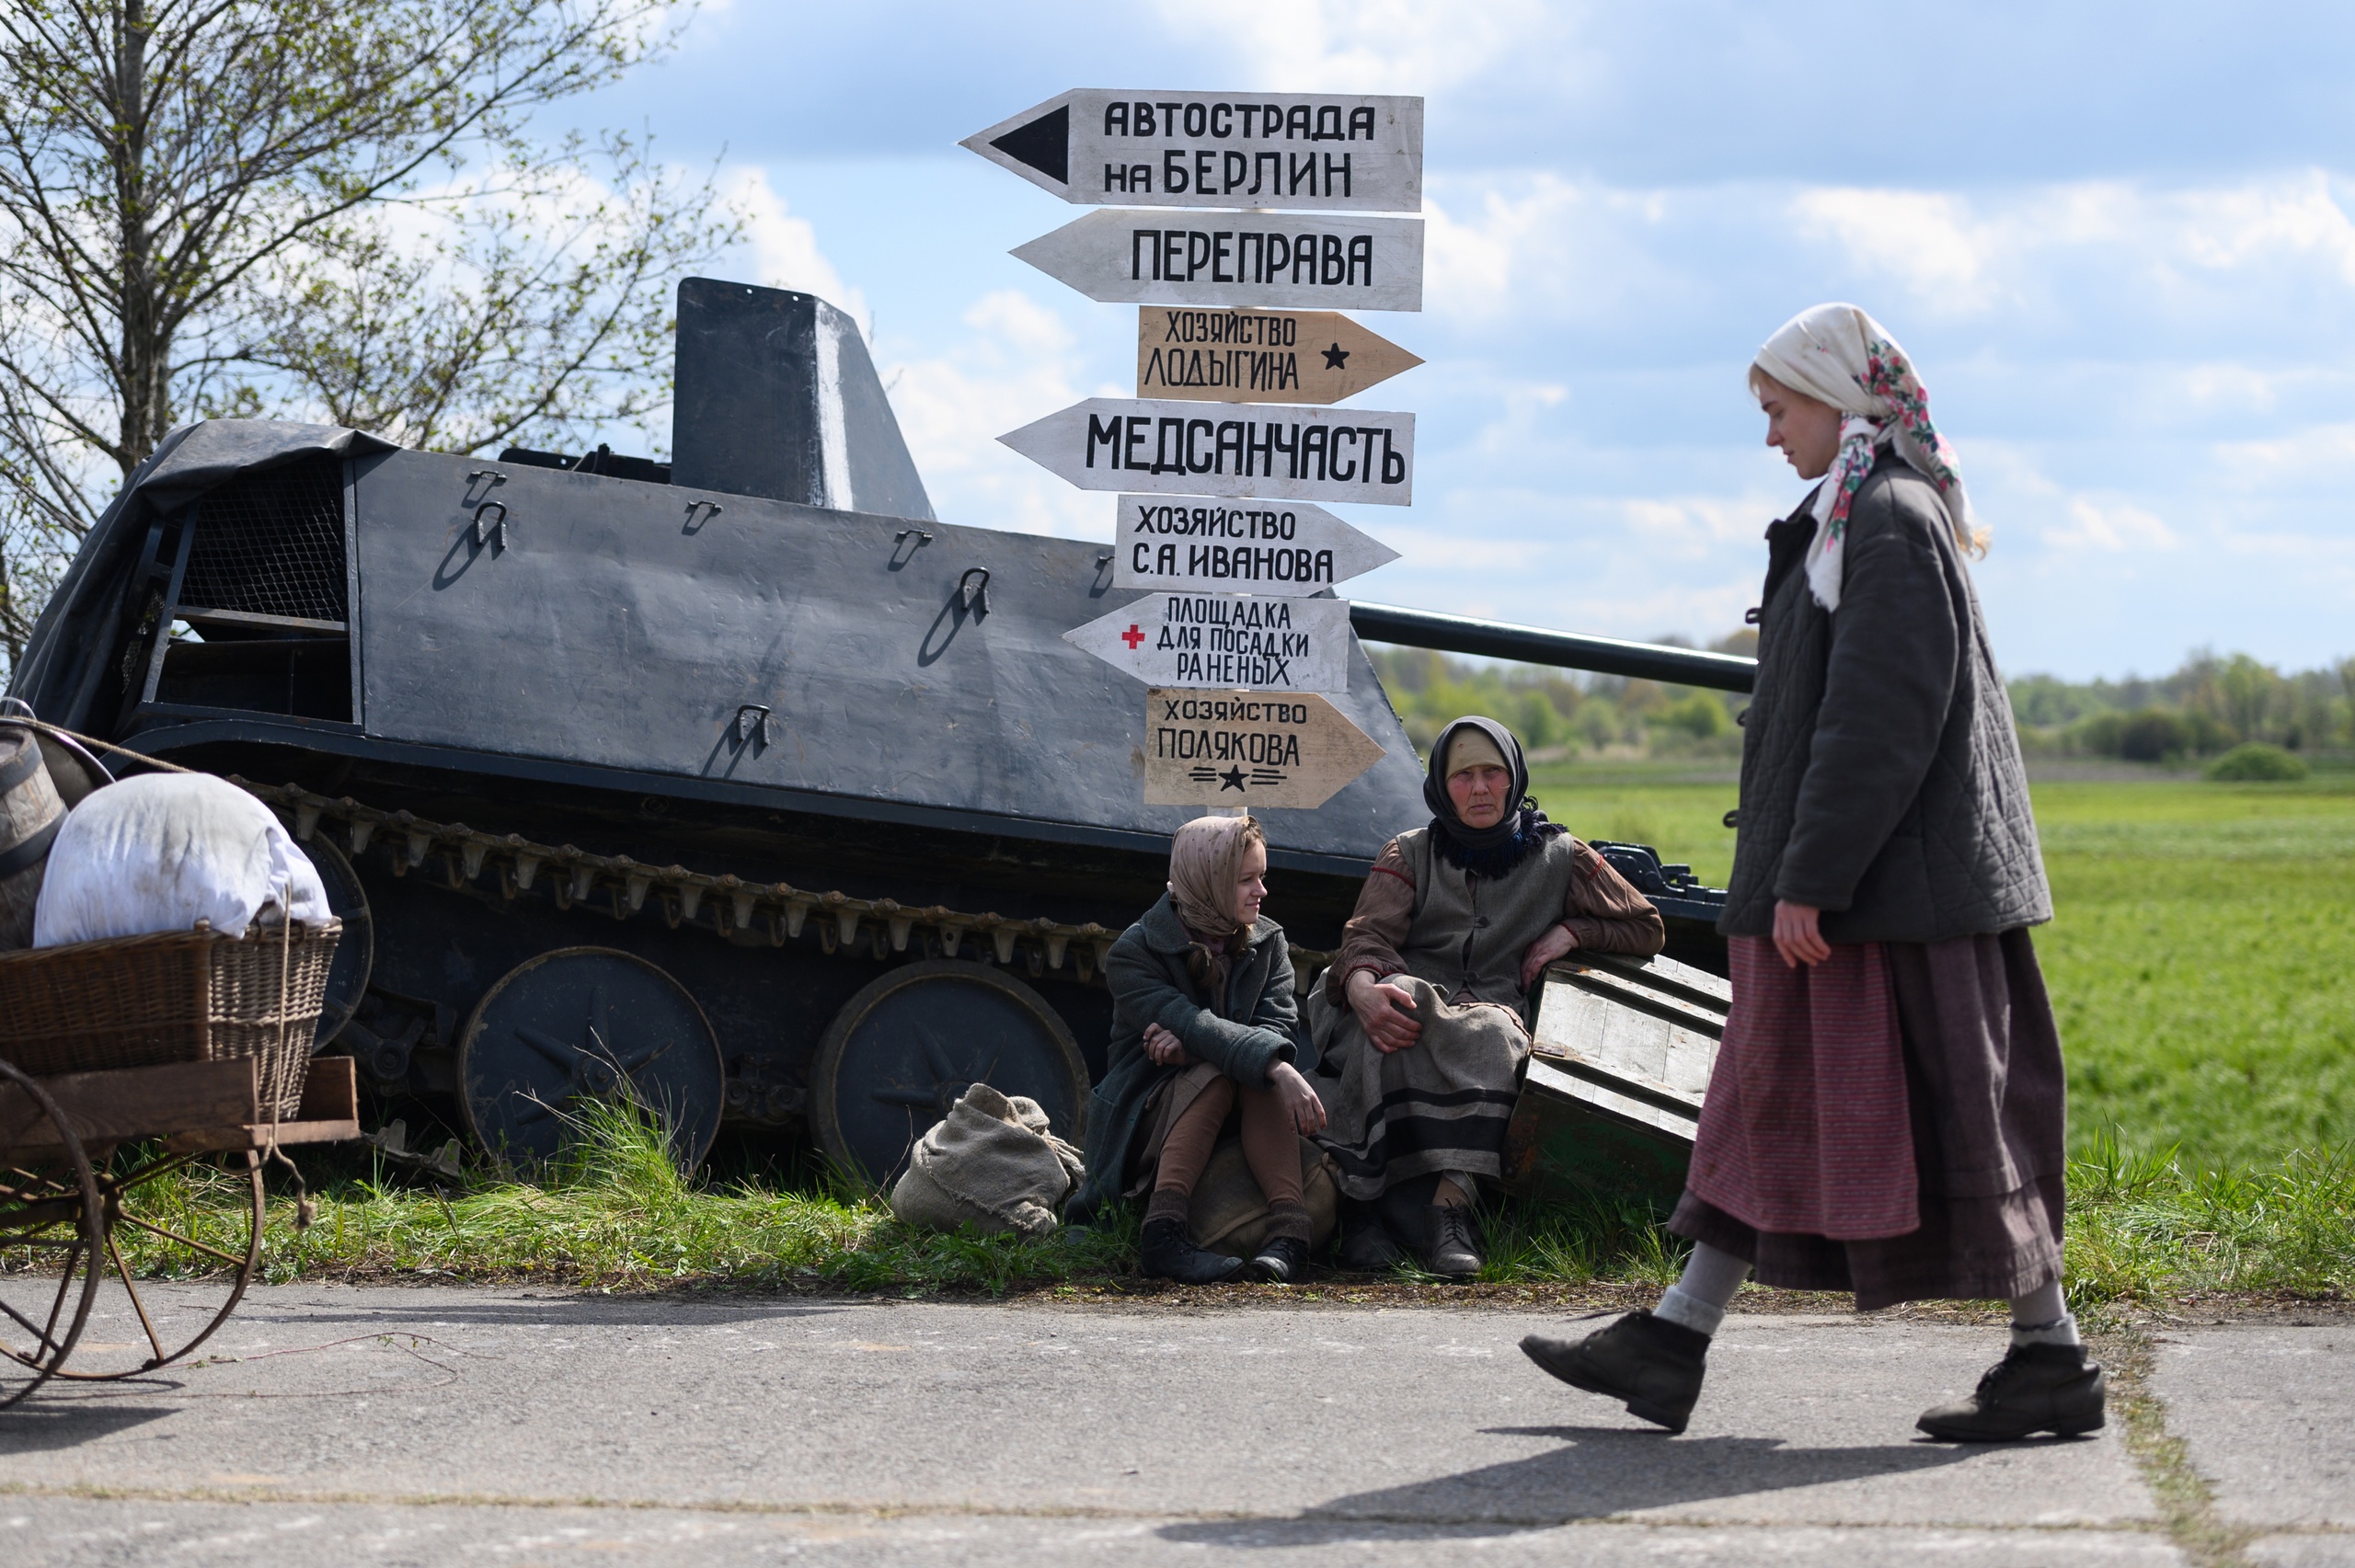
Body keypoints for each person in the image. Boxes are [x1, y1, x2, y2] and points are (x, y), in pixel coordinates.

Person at [1522, 303, 2097, 1443]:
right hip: (1871, 895)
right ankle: (1676, 1339)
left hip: (1887, 903)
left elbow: (1881, 719)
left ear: (1838, 399)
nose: (1770, 434)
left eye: (1779, 409)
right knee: (1769, 1101)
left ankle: (2049, 1356)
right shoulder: (1853, 514)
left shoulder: (1880, 518)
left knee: (1949, 1119)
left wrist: (1811, 880)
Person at [1309, 716, 1666, 1278]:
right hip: (1410, 990)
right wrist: (1361, 989)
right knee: (1396, 1007)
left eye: (1492, 773)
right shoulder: (1409, 854)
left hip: (1492, 1004)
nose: (1479, 788)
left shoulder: (1561, 857)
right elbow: (1365, 938)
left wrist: (1574, 932)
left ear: (1514, 777)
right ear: (1441, 786)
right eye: (1464, 776)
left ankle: (1450, 1215)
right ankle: (1364, 1213)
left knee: (1498, 1039)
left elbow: (1646, 925)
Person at [1067, 813, 1328, 1284]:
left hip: (1238, 1104)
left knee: (1251, 1069)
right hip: (1146, 1108)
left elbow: (1275, 1027)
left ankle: (1289, 1234)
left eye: (1262, 877)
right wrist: (1260, 1059)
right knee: (1232, 1071)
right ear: (1206, 881)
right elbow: (1190, 1021)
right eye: (1245, 879)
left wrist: (1198, 1048)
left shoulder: (1268, 942)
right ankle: (1163, 1233)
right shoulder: (1135, 951)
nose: (1261, 891)